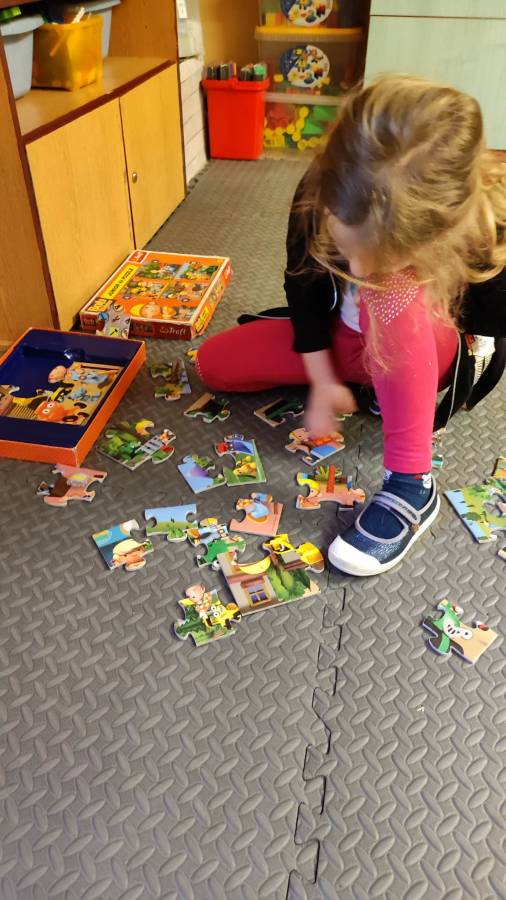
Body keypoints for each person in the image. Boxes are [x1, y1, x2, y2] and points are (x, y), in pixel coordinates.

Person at [196, 75, 506, 576]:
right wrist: (321, 379)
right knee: (215, 364)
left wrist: (429, 281)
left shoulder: (484, 243)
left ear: (441, 236)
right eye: (346, 249)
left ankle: (413, 485)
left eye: (378, 254)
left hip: (432, 351)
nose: (356, 268)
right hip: (349, 342)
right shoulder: (324, 188)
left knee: (390, 291)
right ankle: (372, 389)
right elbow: (302, 286)